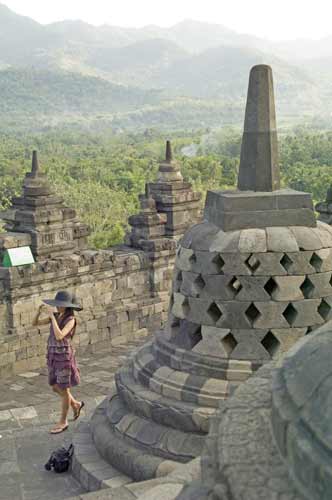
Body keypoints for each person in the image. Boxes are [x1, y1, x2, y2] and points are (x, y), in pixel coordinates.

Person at [33, 290, 85, 434]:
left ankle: (63, 421)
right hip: (53, 355)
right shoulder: (55, 316)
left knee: (64, 388)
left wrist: (51, 317)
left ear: (66, 306)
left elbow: (59, 335)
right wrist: (39, 312)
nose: (57, 307)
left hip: (64, 358)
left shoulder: (71, 320)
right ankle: (75, 404)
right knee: (55, 386)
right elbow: (34, 323)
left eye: (60, 305)